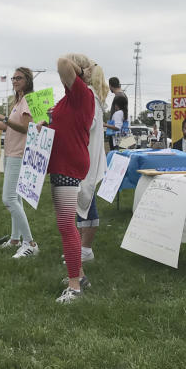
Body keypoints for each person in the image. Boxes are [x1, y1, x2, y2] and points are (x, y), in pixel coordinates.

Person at [43, 53, 96, 303]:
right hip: (62, 163)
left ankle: (74, 287)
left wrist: (78, 68)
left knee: (66, 226)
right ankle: (80, 275)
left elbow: (62, 62)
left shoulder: (82, 93)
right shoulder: (69, 99)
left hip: (68, 165)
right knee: (66, 224)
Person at [0, 67, 38, 258]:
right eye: (13, 78)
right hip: (11, 153)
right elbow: (9, 127)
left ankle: (30, 243)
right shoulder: (18, 101)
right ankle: (16, 239)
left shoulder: (28, 100)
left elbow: (25, 128)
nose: (15, 81)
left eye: (19, 78)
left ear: (28, 80)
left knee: (8, 199)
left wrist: (1, 116)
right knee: (17, 199)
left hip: (19, 155)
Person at [75, 61, 109, 264]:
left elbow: (89, 124)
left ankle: (86, 249)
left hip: (86, 157)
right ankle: (81, 247)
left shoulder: (90, 97)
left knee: (87, 198)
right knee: (82, 199)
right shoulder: (92, 96)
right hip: (84, 155)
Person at [104, 77, 129, 152]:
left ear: (111, 86)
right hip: (121, 135)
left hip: (116, 136)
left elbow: (118, 124)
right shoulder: (123, 95)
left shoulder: (118, 97)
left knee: (115, 154)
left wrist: (106, 125)